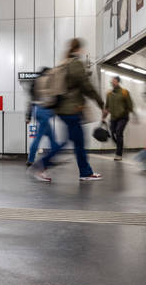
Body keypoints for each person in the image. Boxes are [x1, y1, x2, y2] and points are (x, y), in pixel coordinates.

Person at [30, 38, 104, 182]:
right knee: (75, 142)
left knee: (77, 142)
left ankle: (85, 172)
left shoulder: (63, 63)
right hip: (72, 110)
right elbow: (86, 86)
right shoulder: (75, 64)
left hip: (63, 110)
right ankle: (41, 166)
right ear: (78, 49)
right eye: (82, 48)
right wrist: (100, 103)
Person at [25, 67, 63, 166]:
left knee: (51, 136)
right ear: (46, 72)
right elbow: (55, 97)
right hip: (44, 111)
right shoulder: (47, 81)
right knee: (38, 137)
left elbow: (31, 101)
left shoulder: (36, 82)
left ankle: (52, 157)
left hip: (37, 110)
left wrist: (28, 116)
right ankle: (31, 159)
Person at [102, 76, 134, 161]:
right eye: (112, 81)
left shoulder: (124, 92)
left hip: (123, 117)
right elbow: (107, 107)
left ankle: (118, 154)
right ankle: (120, 145)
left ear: (118, 82)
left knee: (119, 132)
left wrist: (126, 111)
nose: (112, 82)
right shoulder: (109, 94)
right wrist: (103, 117)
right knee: (112, 134)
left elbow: (130, 105)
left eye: (114, 81)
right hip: (113, 117)